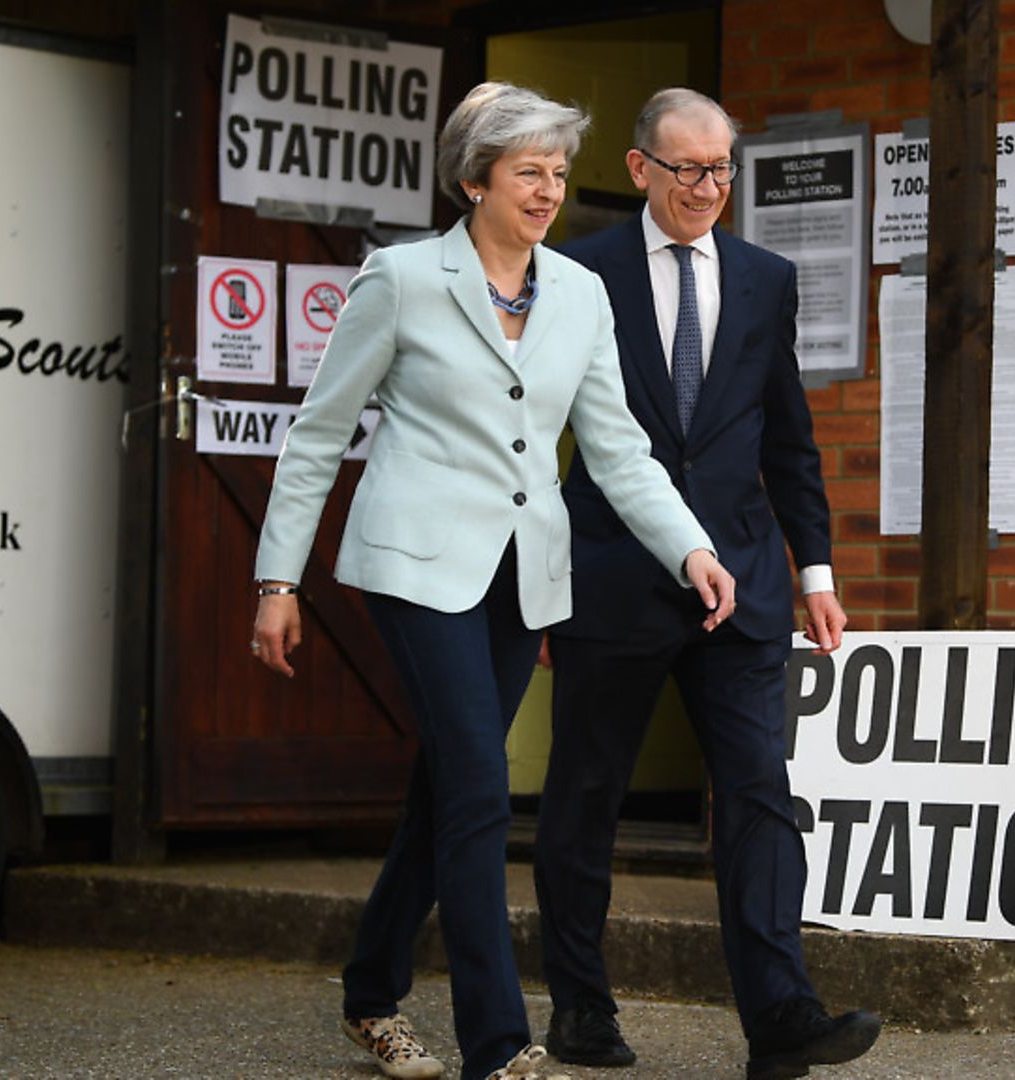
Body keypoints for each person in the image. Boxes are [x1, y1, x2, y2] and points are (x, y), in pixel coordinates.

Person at [249, 82, 738, 1080]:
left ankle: (369, 993)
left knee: (448, 793)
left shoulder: (581, 294)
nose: (550, 188)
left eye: (560, 172)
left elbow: (618, 448)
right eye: (529, 171)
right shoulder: (400, 279)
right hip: (416, 567)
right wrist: (276, 580)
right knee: (479, 784)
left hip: (524, 579)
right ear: (476, 180)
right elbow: (319, 433)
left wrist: (689, 547)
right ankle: (499, 1043)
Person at [533, 88, 879, 1080]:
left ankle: (782, 1019)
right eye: (688, 168)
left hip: (746, 579)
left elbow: (789, 435)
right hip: (613, 575)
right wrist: (543, 571)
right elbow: (538, 430)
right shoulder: (579, 270)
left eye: (723, 168)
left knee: (761, 794)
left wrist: (815, 569)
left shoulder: (767, 278)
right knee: (587, 792)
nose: (709, 187)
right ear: (641, 168)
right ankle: (581, 1007)